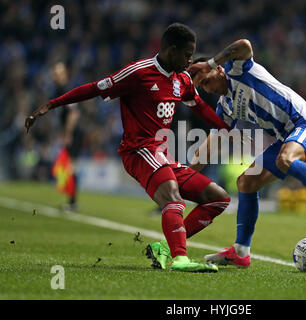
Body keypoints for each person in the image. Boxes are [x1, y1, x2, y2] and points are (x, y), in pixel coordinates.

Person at [25, 23, 233, 273]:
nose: (190, 60)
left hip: (161, 155)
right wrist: (51, 105)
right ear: (171, 50)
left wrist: (226, 128)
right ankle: (180, 259)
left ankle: (166, 248)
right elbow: (94, 88)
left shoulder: (183, 79)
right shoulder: (138, 73)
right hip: (138, 151)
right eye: (187, 55)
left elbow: (199, 107)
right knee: (172, 197)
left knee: (218, 198)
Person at [187, 39, 306, 268]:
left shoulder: (237, 69)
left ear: (217, 69)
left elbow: (244, 45)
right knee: (246, 182)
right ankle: (241, 251)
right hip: (286, 137)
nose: (207, 88)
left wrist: (209, 61)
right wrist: (183, 177)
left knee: (285, 159)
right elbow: (209, 147)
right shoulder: (225, 107)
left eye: (206, 80)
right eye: (202, 87)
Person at [51, 62, 82, 211]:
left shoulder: (66, 89)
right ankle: (71, 201)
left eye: (58, 73)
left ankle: (73, 202)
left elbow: (74, 113)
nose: (55, 76)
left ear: (64, 74)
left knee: (71, 167)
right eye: (54, 73)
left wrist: (68, 133)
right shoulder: (58, 89)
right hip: (69, 132)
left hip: (74, 133)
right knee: (69, 167)